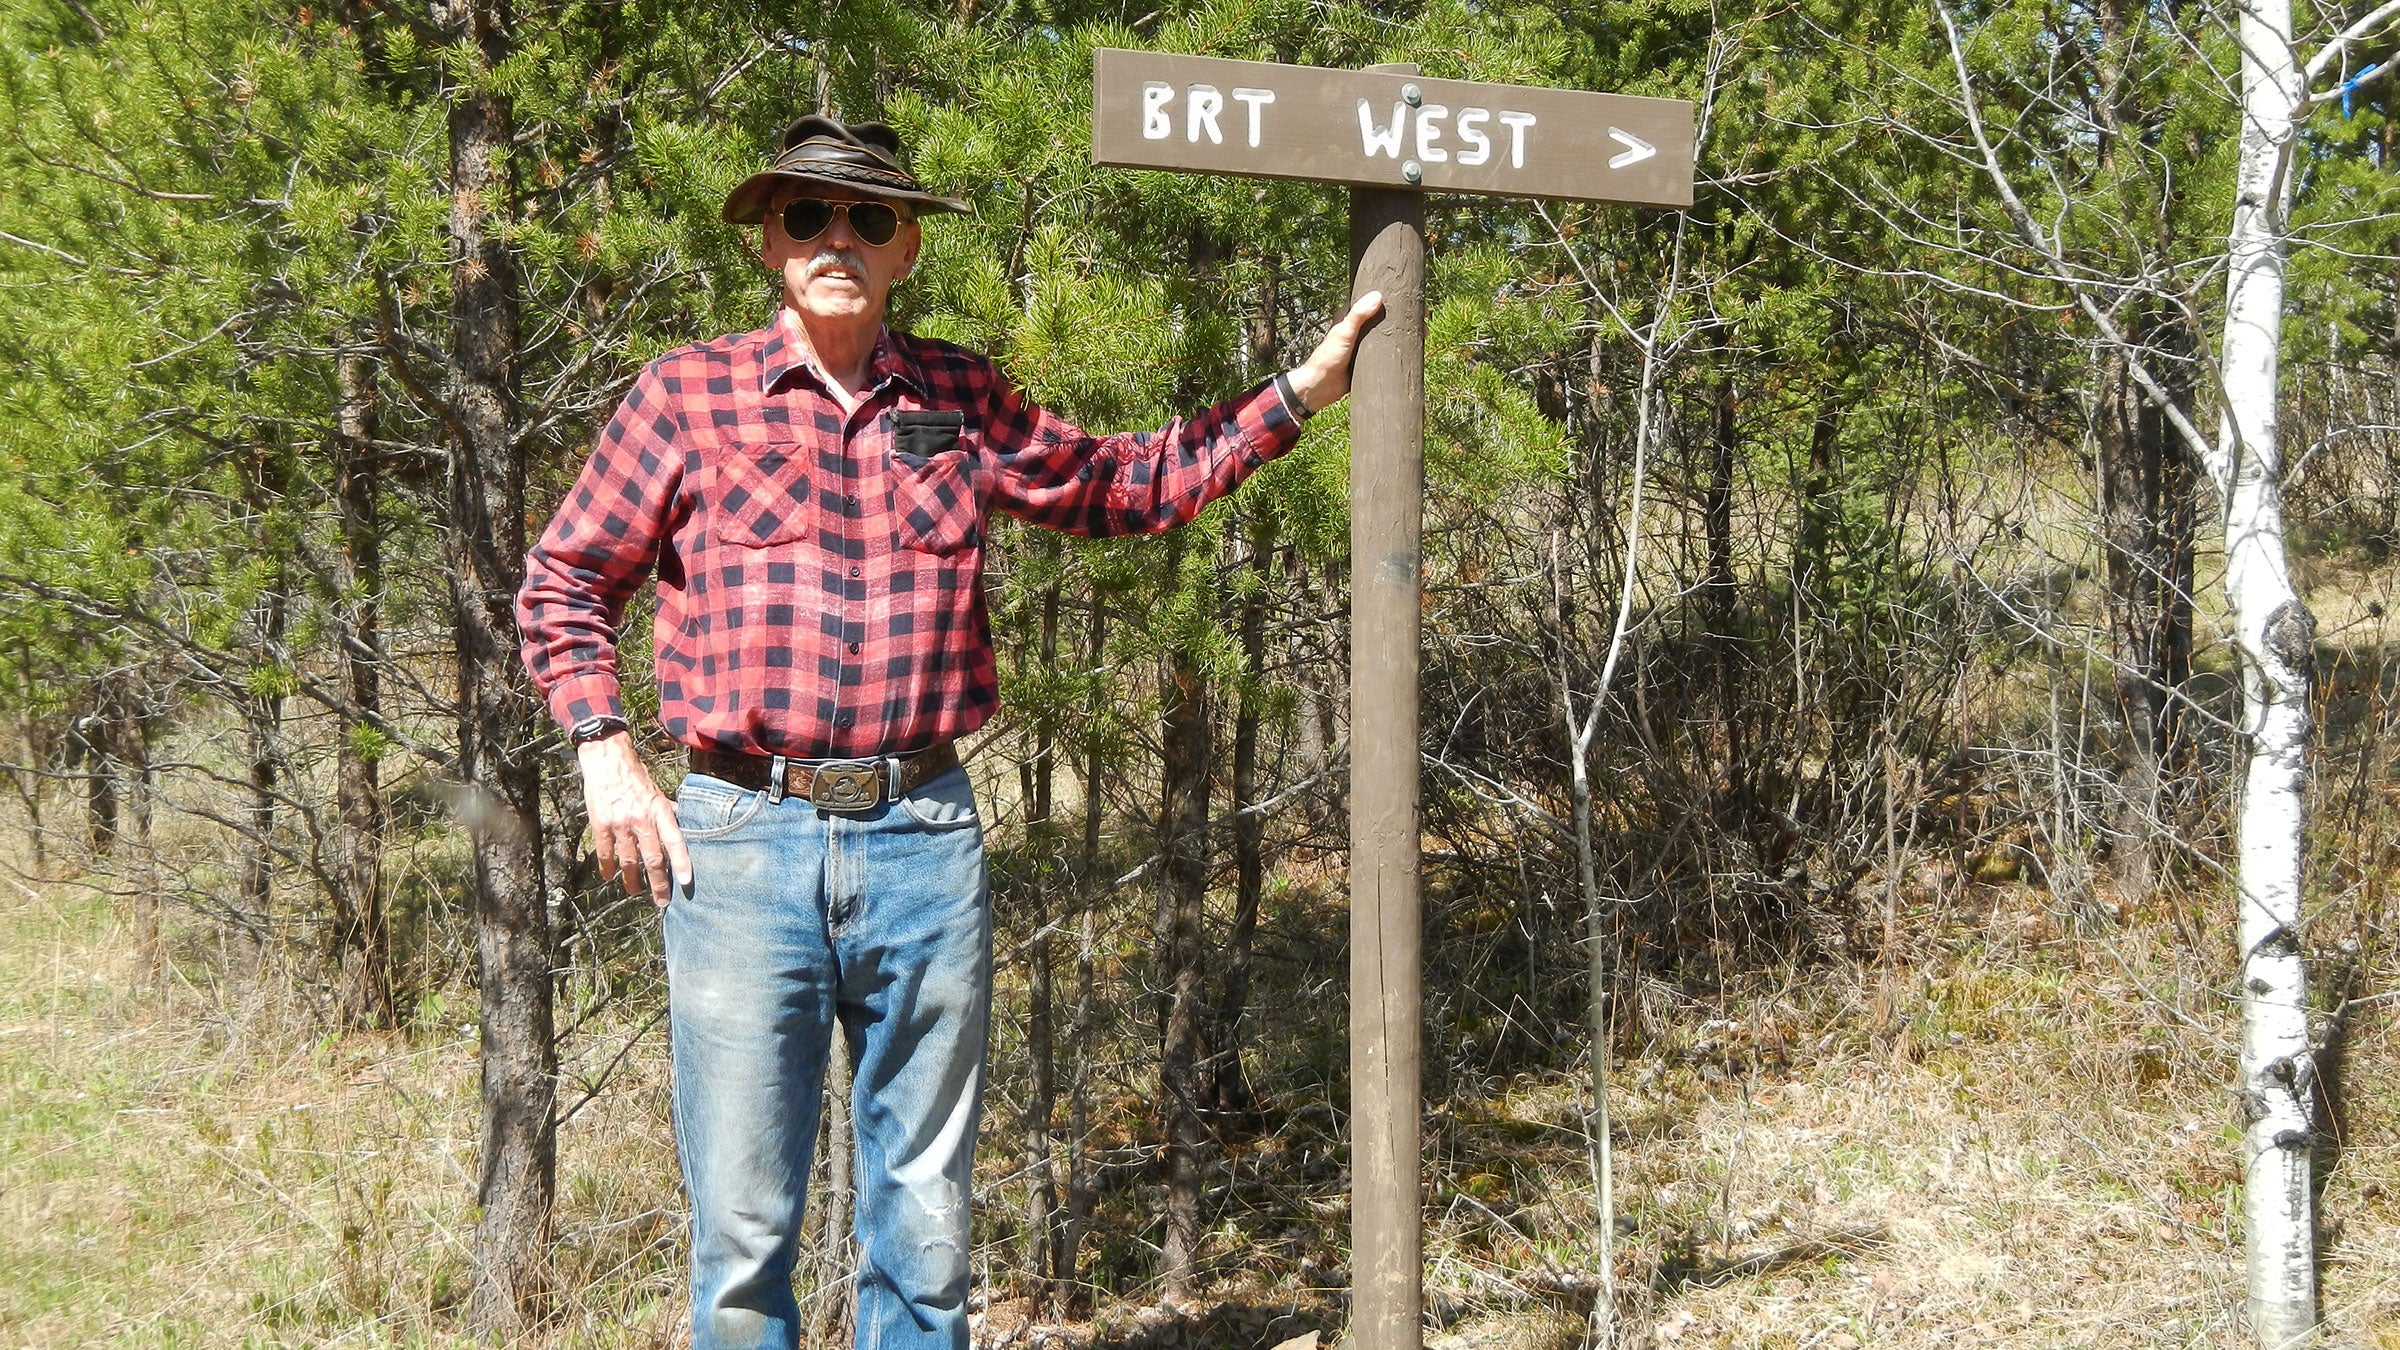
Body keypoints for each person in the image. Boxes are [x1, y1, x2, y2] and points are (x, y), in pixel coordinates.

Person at [515, 114, 1381, 1350]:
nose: (838, 239)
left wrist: (1297, 395)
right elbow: (564, 580)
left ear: (907, 247)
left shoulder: (958, 395)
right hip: (738, 842)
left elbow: (1119, 486)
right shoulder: (687, 395)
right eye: (809, 215)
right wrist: (606, 750)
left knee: (924, 1228)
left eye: (869, 218)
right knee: (744, 1241)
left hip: (923, 837)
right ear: (769, 237)